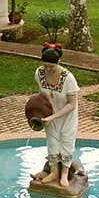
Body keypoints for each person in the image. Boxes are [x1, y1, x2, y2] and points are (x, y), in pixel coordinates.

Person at [30, 42, 79, 187]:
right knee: (52, 144)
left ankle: (64, 174)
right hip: (49, 113)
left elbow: (72, 104)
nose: (47, 69)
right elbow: (42, 95)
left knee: (66, 143)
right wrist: (39, 112)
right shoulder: (39, 73)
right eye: (45, 66)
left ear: (59, 62)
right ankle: (53, 172)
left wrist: (53, 117)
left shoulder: (68, 78)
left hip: (66, 116)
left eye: (51, 66)